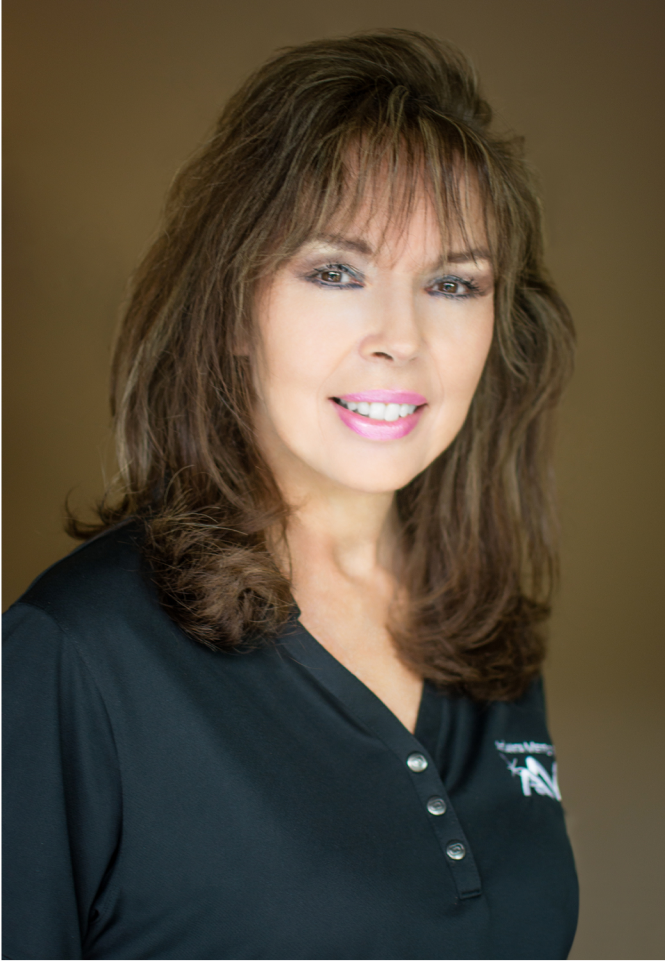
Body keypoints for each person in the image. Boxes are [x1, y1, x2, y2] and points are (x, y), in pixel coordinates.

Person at [1, 29, 578, 961]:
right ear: (233, 308)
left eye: (452, 281)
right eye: (336, 272)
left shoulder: (485, 632)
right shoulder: (71, 658)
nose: (401, 336)